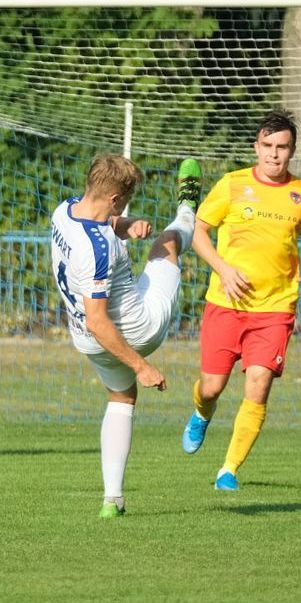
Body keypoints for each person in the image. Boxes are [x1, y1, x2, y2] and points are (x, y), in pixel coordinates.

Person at [181, 110, 301, 491]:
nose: (274, 155)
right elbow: (199, 232)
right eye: (267, 146)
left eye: (282, 147)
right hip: (225, 304)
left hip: (276, 308)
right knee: (212, 387)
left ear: (292, 151)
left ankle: (228, 470)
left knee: (259, 382)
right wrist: (223, 268)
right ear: (256, 147)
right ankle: (201, 412)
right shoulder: (231, 185)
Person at [50, 152, 203, 518]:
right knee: (166, 243)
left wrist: (128, 224)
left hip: (85, 339)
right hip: (136, 329)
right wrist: (141, 366)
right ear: (115, 198)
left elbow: (106, 224)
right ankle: (189, 206)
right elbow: (100, 320)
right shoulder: (96, 251)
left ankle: (112, 500)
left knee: (121, 398)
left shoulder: (65, 210)